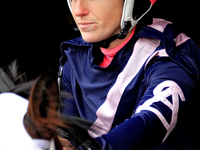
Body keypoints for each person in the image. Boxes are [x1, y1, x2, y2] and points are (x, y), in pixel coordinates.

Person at [59, 0, 200, 149]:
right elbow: (68, 135)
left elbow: (150, 122)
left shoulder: (170, 56)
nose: (78, 10)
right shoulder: (75, 57)